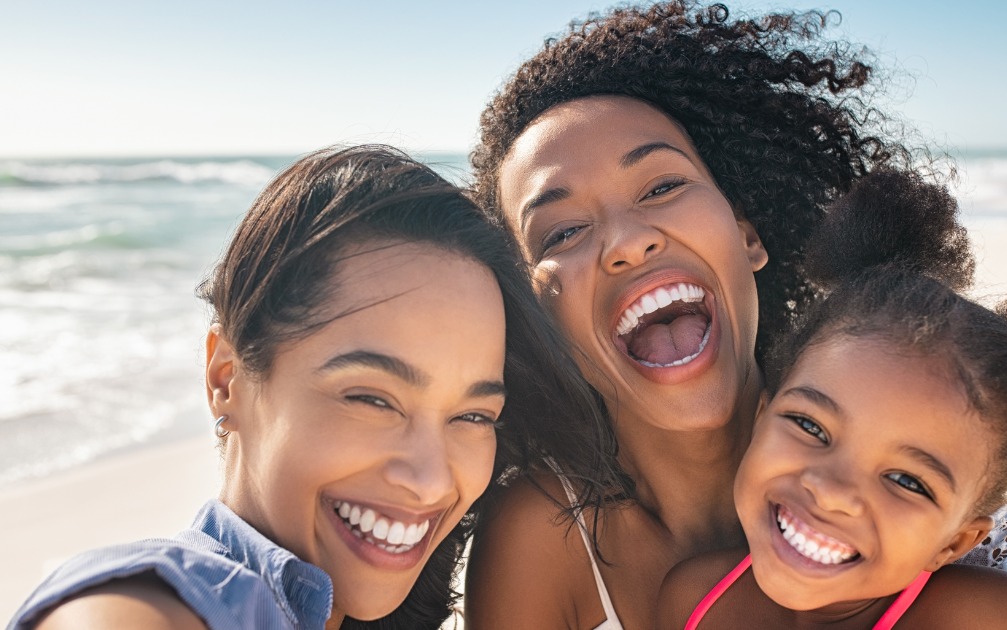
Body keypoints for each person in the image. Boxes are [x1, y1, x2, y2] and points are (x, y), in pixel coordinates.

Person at [464, 2, 1007, 628]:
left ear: (747, 235)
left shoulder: (929, 495)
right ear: (532, 312)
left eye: (662, 187)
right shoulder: (538, 537)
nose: (628, 241)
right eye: (563, 231)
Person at [8, 145, 621, 630]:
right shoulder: (158, 599)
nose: (433, 480)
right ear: (226, 378)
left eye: (473, 417)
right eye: (372, 399)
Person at [657, 170, 1007, 629]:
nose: (831, 490)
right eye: (810, 426)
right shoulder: (695, 600)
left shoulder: (983, 617)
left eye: (907, 481)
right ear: (761, 415)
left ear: (955, 543)